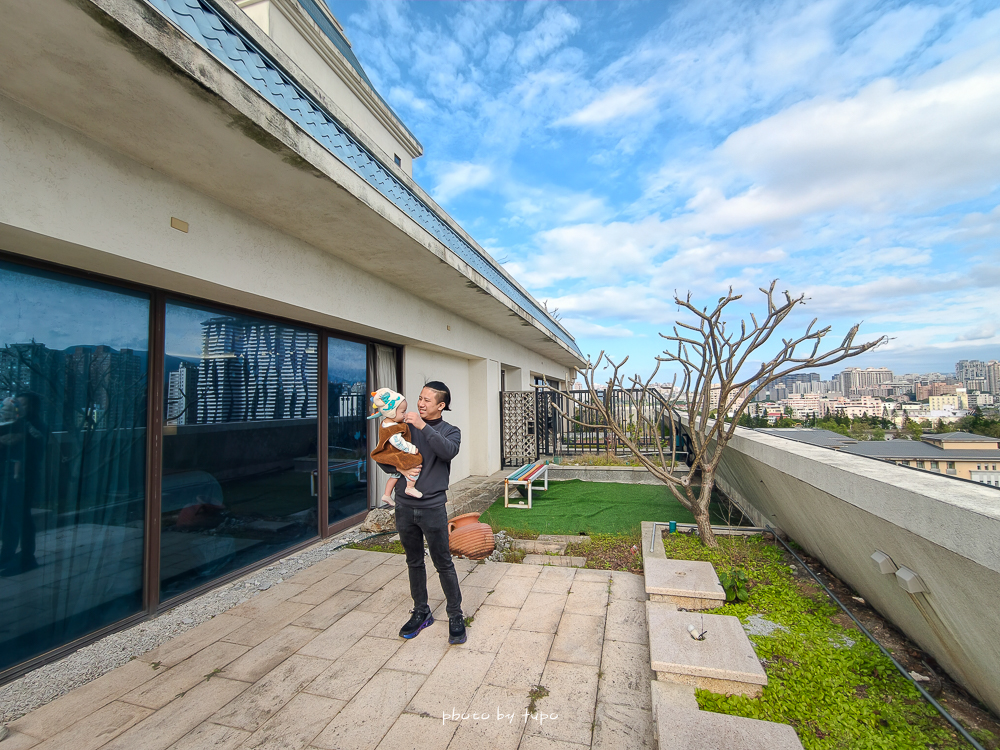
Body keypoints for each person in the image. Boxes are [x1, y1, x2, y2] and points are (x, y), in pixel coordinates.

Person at [387, 381, 465, 644]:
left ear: (441, 405)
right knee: (414, 561)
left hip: (432, 508)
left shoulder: (450, 431)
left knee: (443, 562)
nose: (420, 403)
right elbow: (386, 460)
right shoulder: (404, 428)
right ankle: (421, 610)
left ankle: (455, 614)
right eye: (419, 398)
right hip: (405, 506)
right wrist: (399, 470)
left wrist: (422, 426)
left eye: (427, 400)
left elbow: (447, 452)